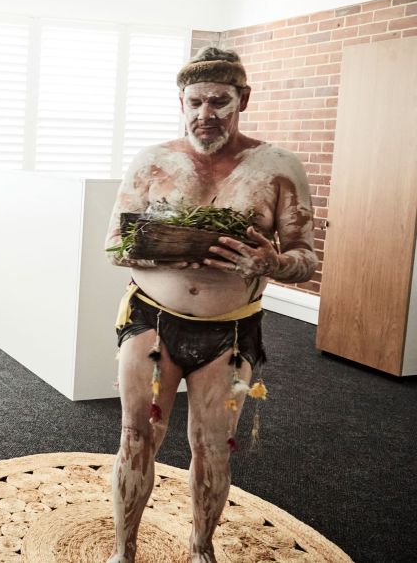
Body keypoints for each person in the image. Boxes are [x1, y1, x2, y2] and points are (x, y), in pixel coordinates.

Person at [104, 47, 316, 563]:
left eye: (219, 102)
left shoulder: (279, 167)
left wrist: (271, 262)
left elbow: (306, 258)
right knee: (137, 435)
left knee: (213, 445)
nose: (205, 115)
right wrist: (168, 247)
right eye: (195, 102)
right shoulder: (152, 162)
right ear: (181, 99)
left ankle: (201, 550)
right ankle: (122, 552)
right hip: (151, 321)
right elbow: (114, 244)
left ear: (242, 98)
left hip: (231, 332)